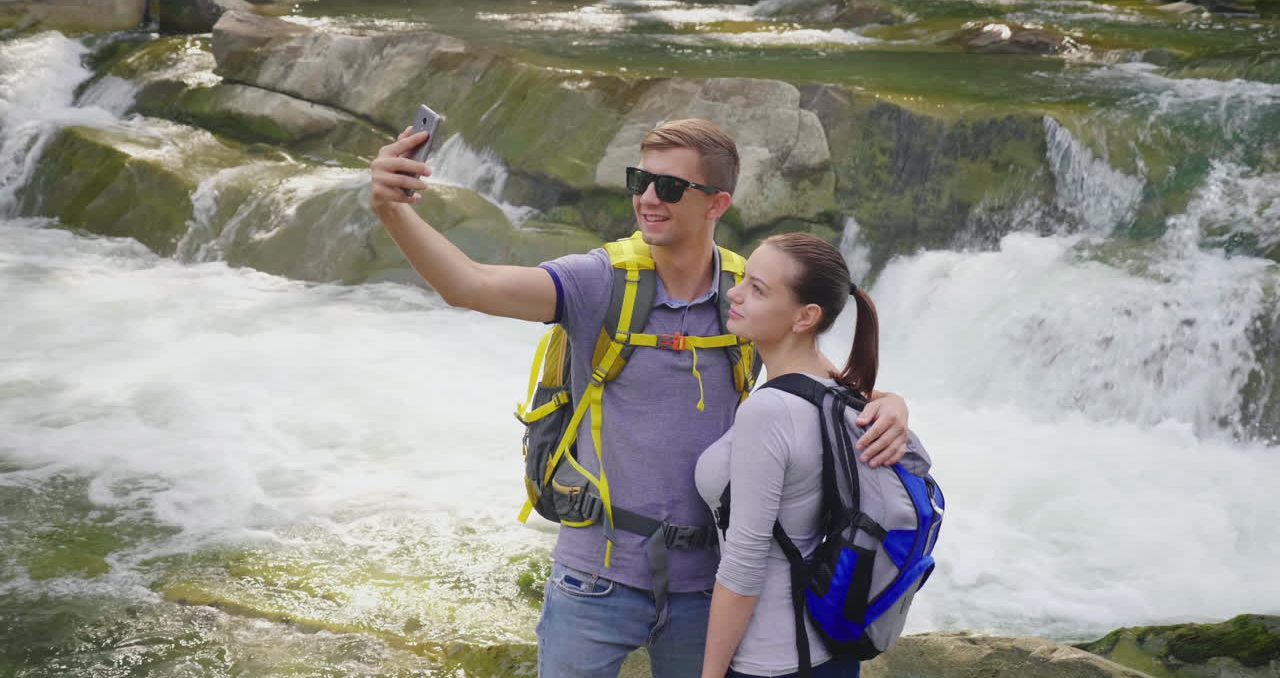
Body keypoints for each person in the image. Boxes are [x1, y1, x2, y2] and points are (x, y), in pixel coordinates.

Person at [368, 118, 912, 678]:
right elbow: (470, 285)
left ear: (716, 203)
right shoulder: (600, 281)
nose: (648, 198)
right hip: (593, 580)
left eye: (670, 187)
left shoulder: (745, 293)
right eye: (640, 180)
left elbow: (818, 384)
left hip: (708, 584)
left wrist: (889, 402)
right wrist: (392, 209)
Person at [696, 232, 889, 678]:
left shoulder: (769, 412)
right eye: (743, 279)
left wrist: (710, 673)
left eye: (757, 289)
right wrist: (897, 401)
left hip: (772, 659)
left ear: (806, 316)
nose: (734, 293)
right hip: (830, 650)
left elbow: (744, 567)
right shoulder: (840, 392)